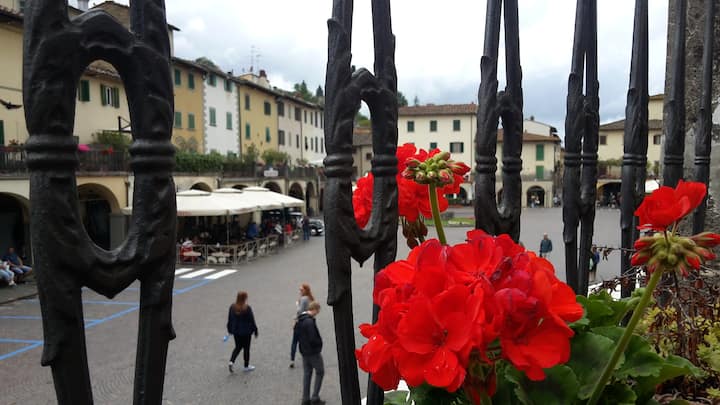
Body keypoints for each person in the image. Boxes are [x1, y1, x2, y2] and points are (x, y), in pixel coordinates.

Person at [296, 301, 325, 405]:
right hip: (313, 352)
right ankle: (315, 397)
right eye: (317, 311)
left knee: (307, 374)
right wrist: (319, 345)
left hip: (304, 351)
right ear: (315, 309)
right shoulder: (309, 322)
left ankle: (305, 398)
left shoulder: (300, 319)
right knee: (320, 372)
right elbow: (313, 338)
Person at [226, 291, 258, 373]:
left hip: (236, 331)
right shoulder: (247, 308)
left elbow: (230, 319)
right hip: (246, 332)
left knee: (238, 347)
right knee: (246, 348)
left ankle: (231, 361)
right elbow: (252, 320)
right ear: (245, 298)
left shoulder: (232, 307)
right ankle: (246, 366)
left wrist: (229, 329)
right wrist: (255, 330)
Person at [290, 283, 314, 368]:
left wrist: (297, 305)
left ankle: (292, 360)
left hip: (300, 322)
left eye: (301, 290)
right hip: (308, 322)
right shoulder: (310, 299)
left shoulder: (303, 299)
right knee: (306, 340)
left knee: (295, 342)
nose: (300, 291)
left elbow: (300, 311)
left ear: (305, 290)